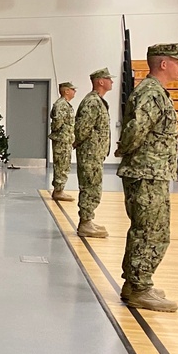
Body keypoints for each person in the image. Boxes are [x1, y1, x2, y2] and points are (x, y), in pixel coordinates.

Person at [115, 44, 178, 312]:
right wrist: (124, 148)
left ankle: (136, 284)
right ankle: (139, 288)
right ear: (164, 64)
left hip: (152, 173)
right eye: (177, 62)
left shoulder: (156, 92)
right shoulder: (151, 93)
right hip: (145, 172)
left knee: (152, 229)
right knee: (149, 231)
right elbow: (136, 129)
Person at [74, 68, 113, 238]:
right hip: (90, 153)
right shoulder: (92, 102)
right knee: (90, 186)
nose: (111, 82)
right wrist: (83, 145)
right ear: (100, 81)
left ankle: (88, 219)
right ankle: (85, 223)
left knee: (94, 186)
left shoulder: (98, 101)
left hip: (95, 152)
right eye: (108, 79)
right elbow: (82, 128)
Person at [49, 82, 77, 201]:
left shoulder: (65, 104)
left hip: (65, 139)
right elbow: (57, 123)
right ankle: (58, 191)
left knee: (64, 164)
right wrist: (61, 134)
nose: (74, 92)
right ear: (66, 91)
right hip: (62, 139)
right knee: (61, 164)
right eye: (72, 90)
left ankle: (59, 189)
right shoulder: (61, 105)